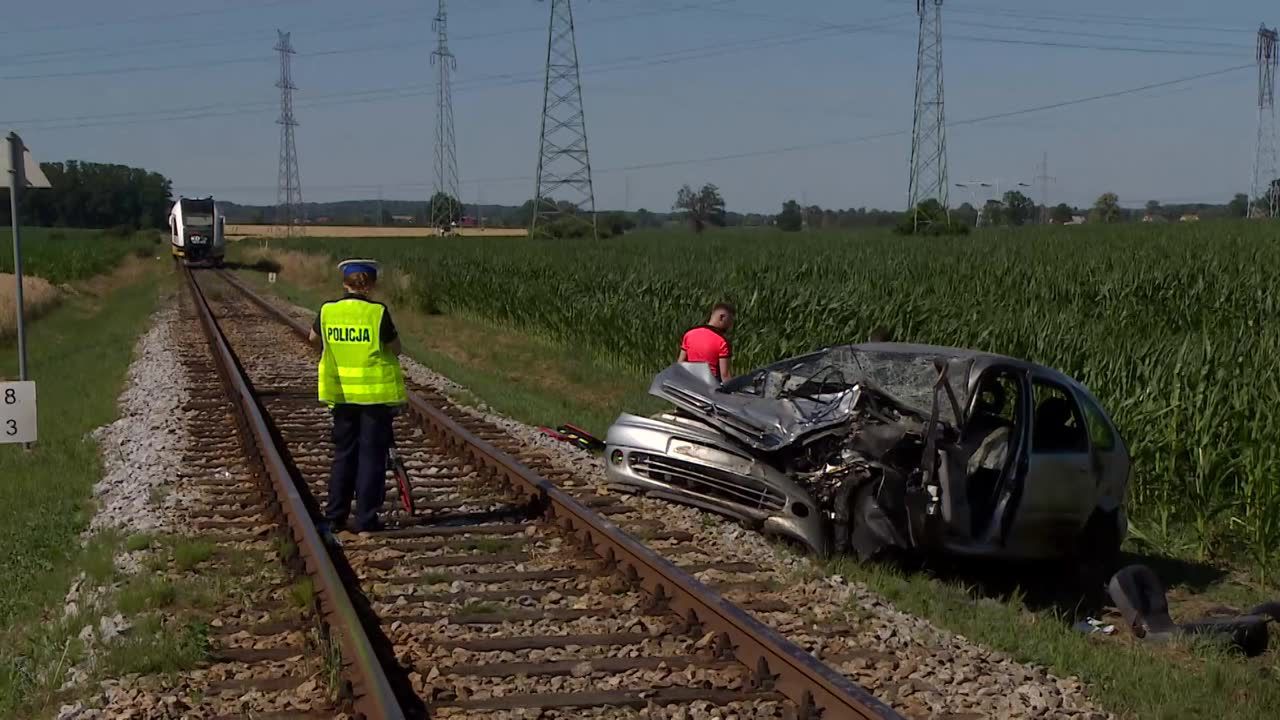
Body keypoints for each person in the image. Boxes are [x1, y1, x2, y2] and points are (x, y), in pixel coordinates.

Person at [308, 259, 407, 534]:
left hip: (341, 395)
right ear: (371, 285)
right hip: (374, 398)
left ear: (345, 283)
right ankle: (365, 520)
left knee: (344, 455)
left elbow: (314, 339)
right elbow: (396, 348)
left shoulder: (328, 310)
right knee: (371, 458)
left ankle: (335, 516)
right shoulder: (377, 313)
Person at [678, 302, 735, 382]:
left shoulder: (689, 334)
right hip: (710, 385)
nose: (730, 325)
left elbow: (680, 363)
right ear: (722, 317)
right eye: (730, 320)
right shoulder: (722, 341)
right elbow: (724, 375)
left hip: (690, 382)